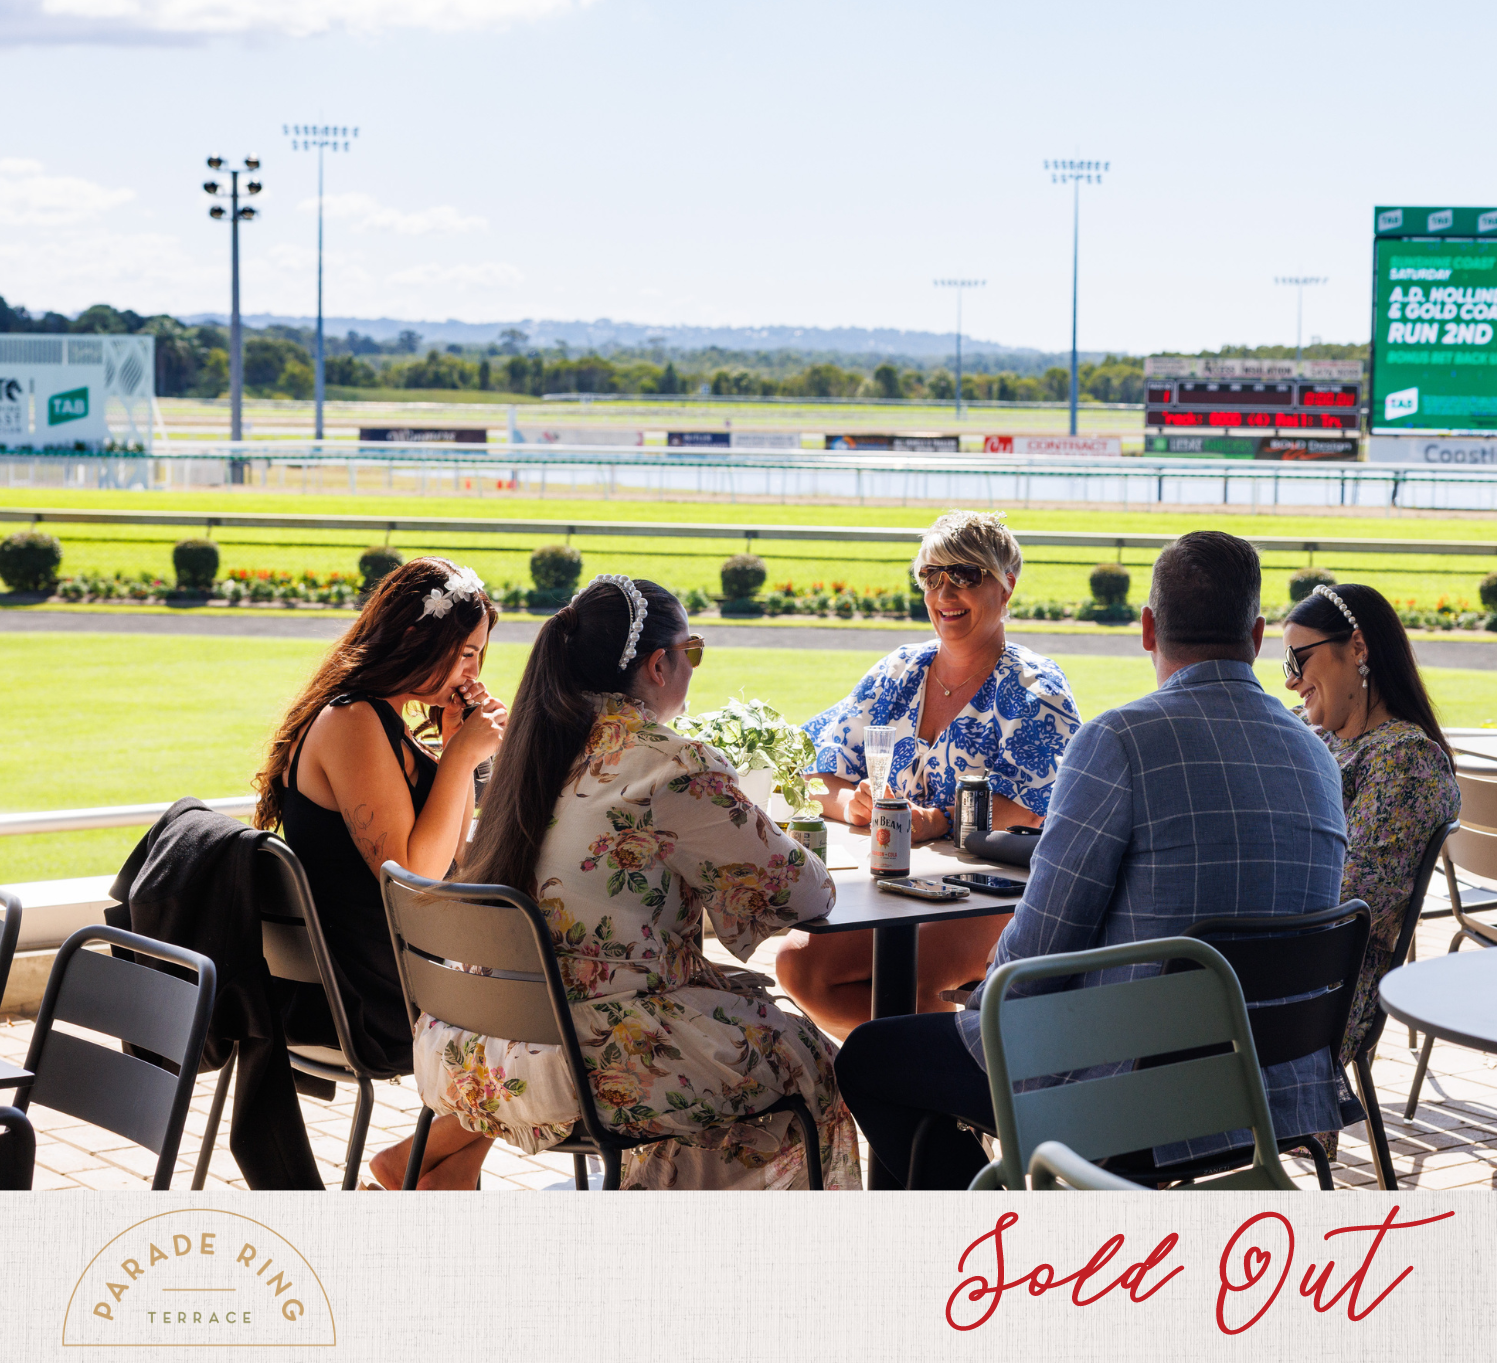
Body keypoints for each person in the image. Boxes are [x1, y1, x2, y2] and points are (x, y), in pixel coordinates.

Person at [835, 530, 1350, 1189]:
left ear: (1146, 629)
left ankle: (988, 1255)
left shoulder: (1118, 741)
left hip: (1127, 1099)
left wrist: (978, 1008)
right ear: (1253, 637)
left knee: (871, 1058)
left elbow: (1036, 954)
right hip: (1273, 1100)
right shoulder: (1316, 758)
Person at [371, 575, 862, 1191]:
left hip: (463, 1048)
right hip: (582, 1057)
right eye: (695, 651)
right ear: (659, 664)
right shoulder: (671, 765)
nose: (694, 665)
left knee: (731, 1032)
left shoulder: (532, 750)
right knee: (809, 1059)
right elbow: (803, 893)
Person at [776, 509, 1081, 1036]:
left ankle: (931, 1096)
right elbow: (811, 770)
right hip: (896, 889)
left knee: (913, 985)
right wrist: (853, 804)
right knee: (798, 965)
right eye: (931, 576)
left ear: (1006, 587)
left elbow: (1041, 806)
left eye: (965, 575)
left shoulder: (1034, 688)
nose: (945, 591)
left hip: (998, 894)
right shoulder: (900, 670)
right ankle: (919, 1083)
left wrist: (939, 820)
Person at [252, 557, 506, 1077]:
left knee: (555, 995)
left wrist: (459, 746)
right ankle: (419, 1158)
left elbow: (454, 855)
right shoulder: (353, 721)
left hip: (397, 969)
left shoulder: (389, 723)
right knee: (554, 1010)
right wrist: (458, 760)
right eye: (465, 653)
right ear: (415, 636)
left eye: (477, 656)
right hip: (371, 999)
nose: (473, 674)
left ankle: (440, 1159)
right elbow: (415, 882)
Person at [1283, 582, 1459, 1100]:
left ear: (1357, 648)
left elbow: (1346, 904)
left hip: (1315, 988)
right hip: (1267, 957)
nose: (1291, 681)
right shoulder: (1322, 737)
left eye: (1298, 658)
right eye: (1283, 665)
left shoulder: (1407, 763)